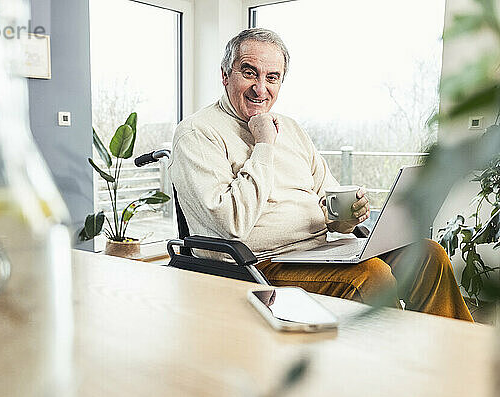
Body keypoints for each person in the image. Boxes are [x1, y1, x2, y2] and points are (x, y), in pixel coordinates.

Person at [167, 28, 472, 321]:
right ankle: (393, 369)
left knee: (428, 255)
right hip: (260, 265)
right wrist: (264, 145)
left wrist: (348, 217)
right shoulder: (197, 132)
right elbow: (231, 223)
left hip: (321, 253)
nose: (261, 88)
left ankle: (454, 359)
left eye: (272, 78)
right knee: (370, 278)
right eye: (249, 73)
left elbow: (330, 204)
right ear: (225, 75)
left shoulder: (292, 129)